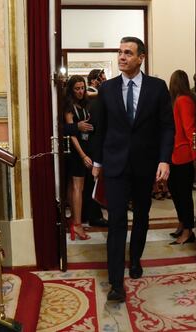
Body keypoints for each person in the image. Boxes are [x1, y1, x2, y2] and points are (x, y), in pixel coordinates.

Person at [92, 36, 174, 303]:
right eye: (120, 52)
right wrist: (97, 163)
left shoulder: (157, 87)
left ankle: (135, 258)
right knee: (116, 221)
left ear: (141, 57)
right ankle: (116, 283)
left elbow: (166, 127)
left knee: (141, 216)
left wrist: (164, 160)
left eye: (128, 53)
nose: (122, 57)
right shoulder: (107, 89)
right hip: (115, 165)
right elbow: (99, 130)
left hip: (145, 164)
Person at [167, 70, 196, 245]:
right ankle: (182, 224)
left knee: (184, 194)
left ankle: (188, 230)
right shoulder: (178, 100)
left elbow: (190, 130)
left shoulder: (183, 100)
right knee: (176, 191)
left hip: (185, 155)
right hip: (176, 155)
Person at [64, 75, 92, 240]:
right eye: (77, 88)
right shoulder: (69, 106)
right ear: (71, 90)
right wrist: (82, 155)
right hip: (76, 152)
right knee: (77, 187)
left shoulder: (84, 104)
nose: (80, 91)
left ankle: (75, 220)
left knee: (73, 186)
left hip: (85, 147)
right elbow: (71, 132)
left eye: (82, 88)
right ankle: (78, 225)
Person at [81, 69, 108, 228]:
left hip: (89, 141)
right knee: (92, 182)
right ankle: (93, 215)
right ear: (94, 80)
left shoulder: (92, 96)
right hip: (92, 142)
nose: (103, 81)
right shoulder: (94, 97)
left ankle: (89, 213)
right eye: (101, 79)